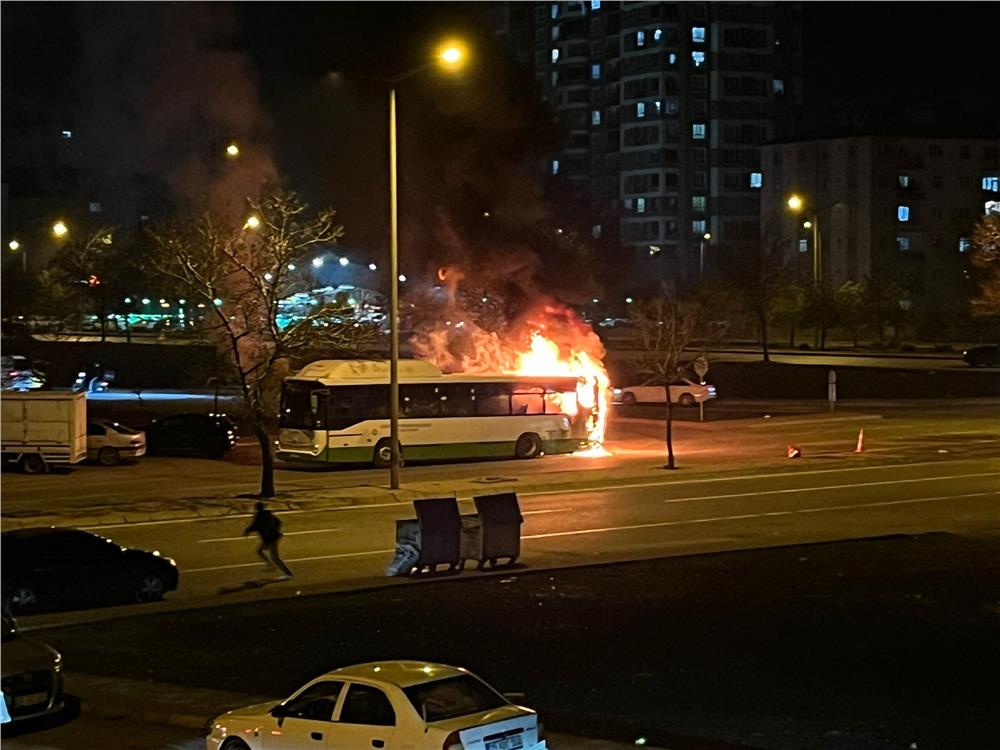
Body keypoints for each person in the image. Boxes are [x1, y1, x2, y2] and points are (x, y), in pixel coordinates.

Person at [243, 501, 293, 578]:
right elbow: (279, 522)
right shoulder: (268, 515)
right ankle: (271, 565)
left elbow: (255, 526)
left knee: (274, 557)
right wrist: (276, 530)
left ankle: (287, 573)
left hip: (270, 539)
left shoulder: (259, 516)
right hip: (271, 538)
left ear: (257, 508)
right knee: (260, 551)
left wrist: (247, 531)